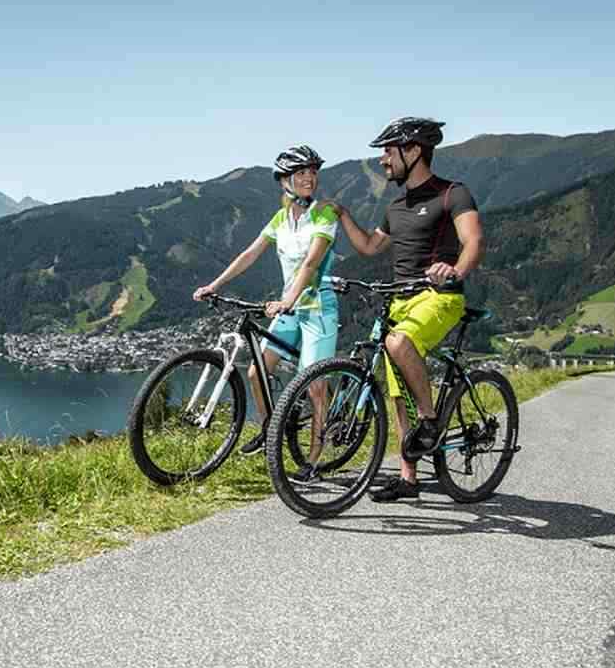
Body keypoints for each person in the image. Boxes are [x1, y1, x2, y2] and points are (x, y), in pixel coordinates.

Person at [327, 116, 483, 502]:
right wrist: (343, 214)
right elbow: (369, 247)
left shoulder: (452, 194)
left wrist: (454, 270)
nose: (383, 159)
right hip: (400, 298)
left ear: (413, 151)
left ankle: (430, 422)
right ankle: (408, 478)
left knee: (398, 342)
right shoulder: (396, 206)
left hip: (439, 296)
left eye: (388, 151)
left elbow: (473, 241)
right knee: (398, 393)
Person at [194, 145, 340, 454]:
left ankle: (315, 460)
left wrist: (287, 300)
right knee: (256, 372)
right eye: (301, 172)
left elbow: (311, 264)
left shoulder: (324, 213)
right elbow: (249, 254)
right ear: (285, 180)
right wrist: (214, 284)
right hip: (290, 308)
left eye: (313, 172)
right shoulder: (280, 219)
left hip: (318, 308)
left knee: (314, 385)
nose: (310, 178)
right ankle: (269, 431)